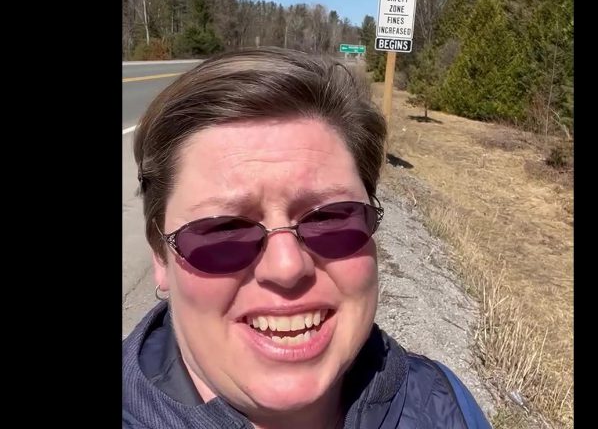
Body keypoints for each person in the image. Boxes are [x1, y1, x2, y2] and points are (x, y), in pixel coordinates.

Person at [123, 47, 491, 429]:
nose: (287, 267)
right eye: (224, 230)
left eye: (331, 219)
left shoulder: (447, 405)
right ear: (160, 256)